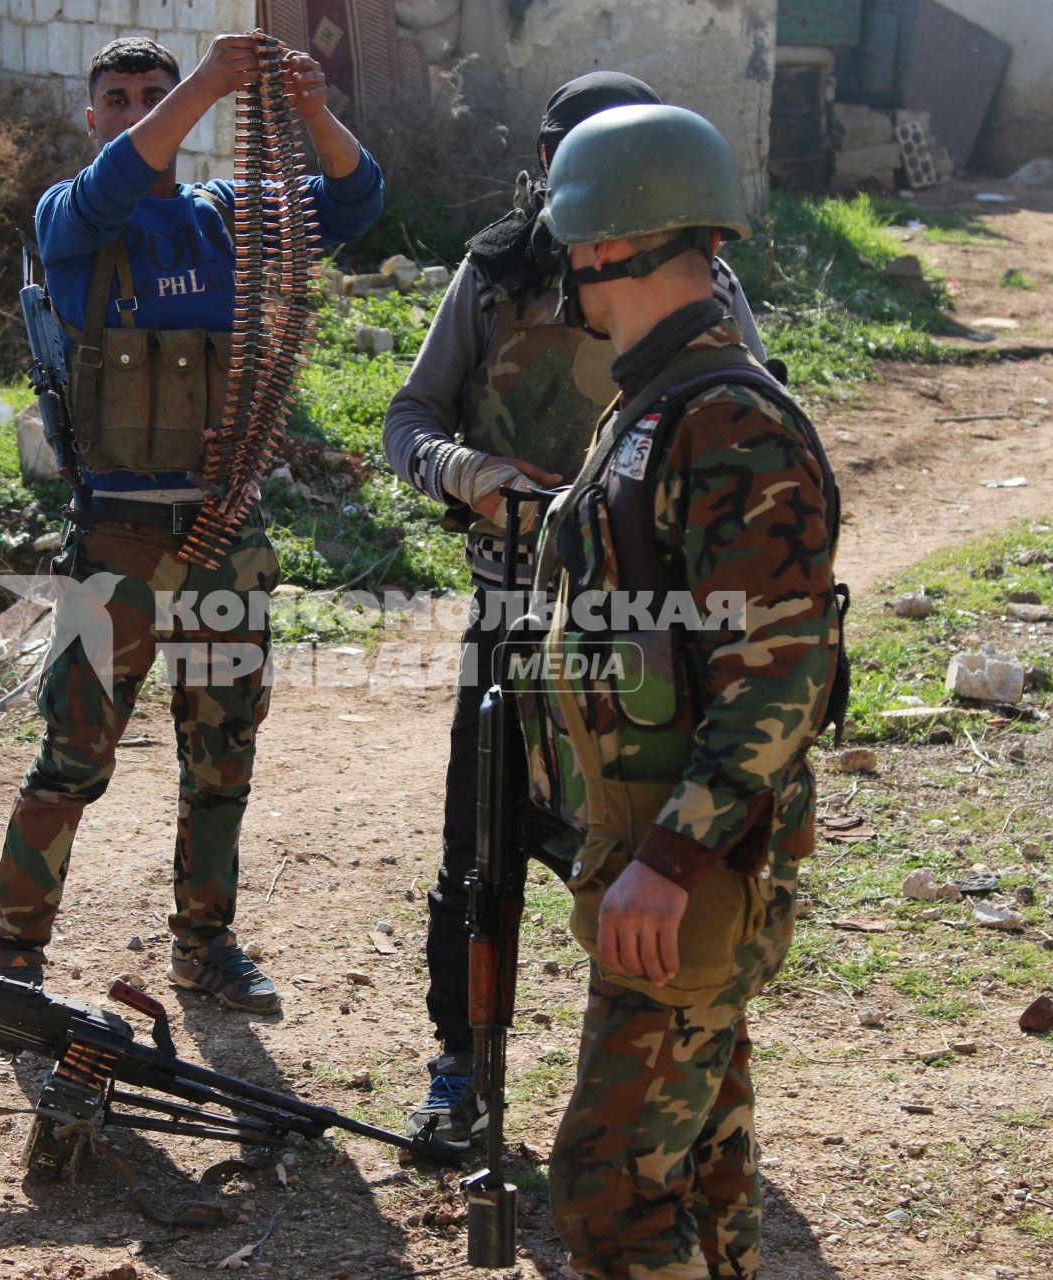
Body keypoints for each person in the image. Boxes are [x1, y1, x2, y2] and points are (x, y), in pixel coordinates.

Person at [380, 71, 768, 1151]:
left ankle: (682, 1079)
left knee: (636, 847)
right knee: (478, 853)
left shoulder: (698, 282)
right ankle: (461, 1065)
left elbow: (746, 412)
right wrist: (466, 472)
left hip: (631, 634)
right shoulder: (496, 270)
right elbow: (408, 418)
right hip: (510, 618)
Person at [0, 35, 384, 1014]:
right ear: (94, 118)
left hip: (221, 538)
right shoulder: (72, 218)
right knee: (72, 757)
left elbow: (356, 202)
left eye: (150, 95)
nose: (132, 111)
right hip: (114, 545)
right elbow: (117, 182)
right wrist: (207, 85)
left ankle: (205, 945)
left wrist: (314, 110)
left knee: (222, 756)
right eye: (116, 98)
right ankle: (11, 962)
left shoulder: (227, 221)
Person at [525, 103, 844, 1277]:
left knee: (606, 1190)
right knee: (707, 1159)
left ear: (616, 240)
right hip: (661, 843)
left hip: (695, 859)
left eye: (575, 239)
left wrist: (670, 854)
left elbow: (781, 676)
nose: (567, 264)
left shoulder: (727, 419)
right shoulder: (656, 403)